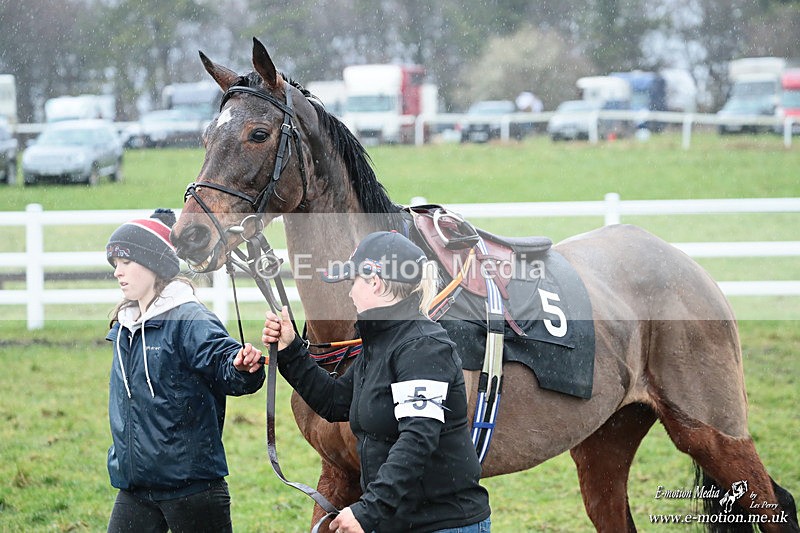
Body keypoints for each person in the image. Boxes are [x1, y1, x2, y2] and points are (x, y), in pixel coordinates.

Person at [262, 231, 491, 533]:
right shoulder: (381, 344)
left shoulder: (423, 348)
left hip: (440, 524)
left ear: (375, 282)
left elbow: (417, 439)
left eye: (353, 281)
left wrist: (370, 510)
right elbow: (334, 402)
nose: (349, 293)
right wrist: (291, 350)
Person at [104, 208, 265, 533]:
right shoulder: (125, 325)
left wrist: (242, 367)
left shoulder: (190, 320)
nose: (118, 272)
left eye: (126, 262)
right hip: (135, 486)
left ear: (154, 263)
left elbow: (226, 363)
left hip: (192, 490)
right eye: (115, 265)